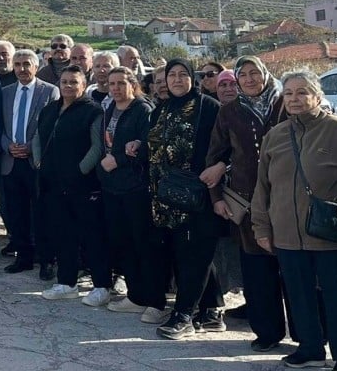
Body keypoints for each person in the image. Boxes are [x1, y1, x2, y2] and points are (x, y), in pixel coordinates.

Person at [252, 70, 337, 371]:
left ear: (317, 96)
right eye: (289, 93)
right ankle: (310, 349)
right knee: (299, 295)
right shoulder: (275, 136)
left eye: (302, 92)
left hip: (329, 233)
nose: (295, 99)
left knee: (336, 298)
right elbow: (262, 187)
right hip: (287, 233)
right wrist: (261, 227)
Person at [202, 56, 289, 353]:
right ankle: (267, 331)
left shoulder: (285, 103)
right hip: (249, 202)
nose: (250, 79)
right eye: (244, 75)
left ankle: (307, 334)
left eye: (255, 73)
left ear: (266, 74)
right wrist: (216, 199)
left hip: (289, 200)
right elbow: (215, 157)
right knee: (257, 270)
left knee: (293, 270)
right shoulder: (229, 112)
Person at [139, 59, 225, 340]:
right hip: (164, 196)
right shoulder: (161, 109)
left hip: (196, 194)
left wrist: (221, 166)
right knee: (185, 253)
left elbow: (228, 145)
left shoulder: (207, 107)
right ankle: (211, 310)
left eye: (182, 74)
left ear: (193, 78)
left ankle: (184, 315)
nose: (176, 80)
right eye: (171, 75)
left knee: (195, 255)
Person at [32, 67, 112, 306]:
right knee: (62, 234)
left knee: (92, 237)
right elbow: (37, 137)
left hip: (82, 186)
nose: (68, 86)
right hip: (52, 185)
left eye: (73, 82)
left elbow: (97, 148)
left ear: (83, 84)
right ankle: (66, 282)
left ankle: (101, 286)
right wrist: (38, 162)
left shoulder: (93, 111)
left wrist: (79, 172)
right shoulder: (50, 109)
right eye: (64, 81)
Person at [97, 67, 162, 318]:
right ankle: (136, 295)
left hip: (136, 188)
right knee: (123, 243)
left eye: (121, 83)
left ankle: (154, 301)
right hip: (113, 188)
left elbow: (147, 146)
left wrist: (120, 160)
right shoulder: (110, 109)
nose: (115, 88)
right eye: (111, 83)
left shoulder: (142, 110)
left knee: (144, 245)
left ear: (132, 84)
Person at [0, 48, 58, 276]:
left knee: (41, 212)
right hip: (10, 161)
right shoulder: (5, 92)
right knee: (16, 212)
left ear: (36, 66)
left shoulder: (50, 92)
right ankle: (23, 257)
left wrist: (31, 147)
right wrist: (7, 145)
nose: (22, 68)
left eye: (26, 64)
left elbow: (51, 127)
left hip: (36, 161)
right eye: (18, 64)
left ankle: (46, 260)